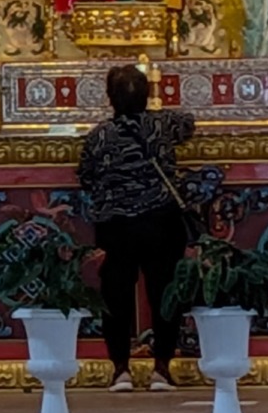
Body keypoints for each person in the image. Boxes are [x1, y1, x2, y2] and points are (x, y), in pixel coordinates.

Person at [79, 63, 195, 392]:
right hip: (161, 220)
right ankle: (162, 368)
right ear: (147, 95)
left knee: (116, 295)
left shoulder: (100, 134)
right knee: (164, 292)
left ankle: (120, 370)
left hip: (116, 225)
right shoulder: (162, 124)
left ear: (110, 98)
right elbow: (189, 123)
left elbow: (86, 176)